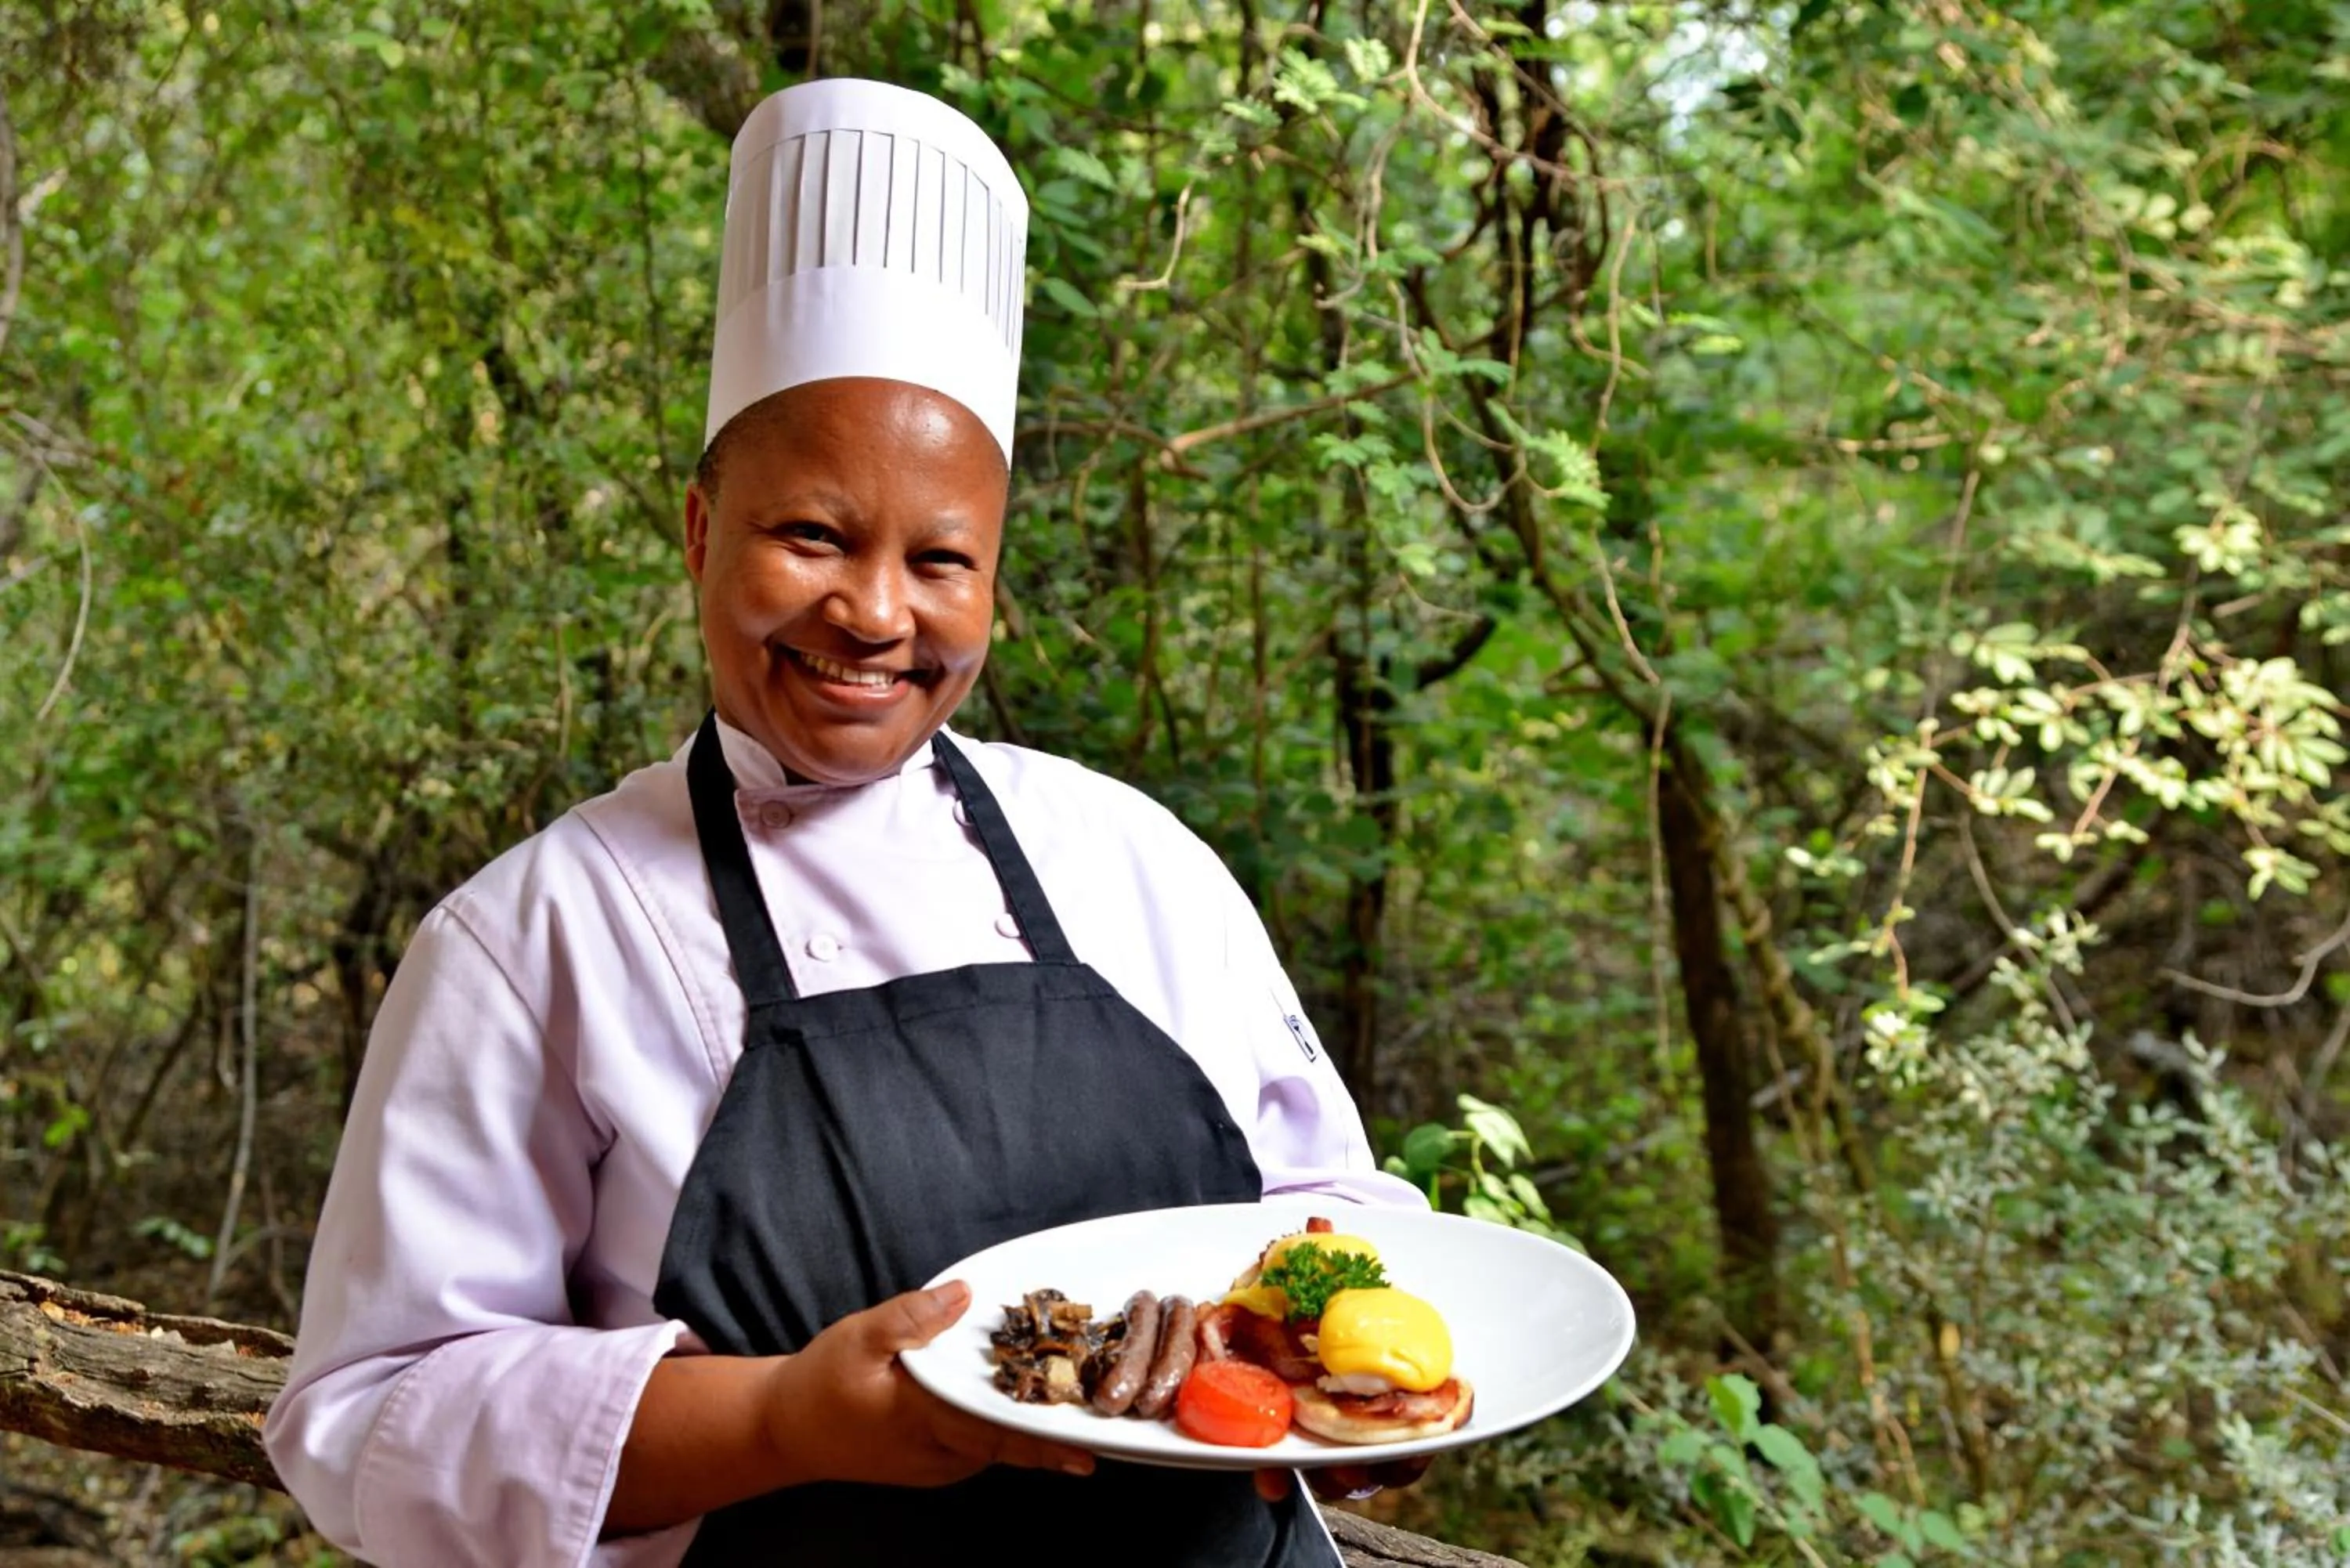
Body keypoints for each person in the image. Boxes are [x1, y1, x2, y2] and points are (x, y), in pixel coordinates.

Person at [263, 78, 1424, 1567]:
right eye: (810, 533)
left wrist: (1359, 1388)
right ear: (701, 533)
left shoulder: (1138, 861)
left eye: (941, 559)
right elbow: (373, 1416)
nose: (874, 612)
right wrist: (782, 1422)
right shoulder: (534, 937)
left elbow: (1330, 1210)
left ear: (995, 584)